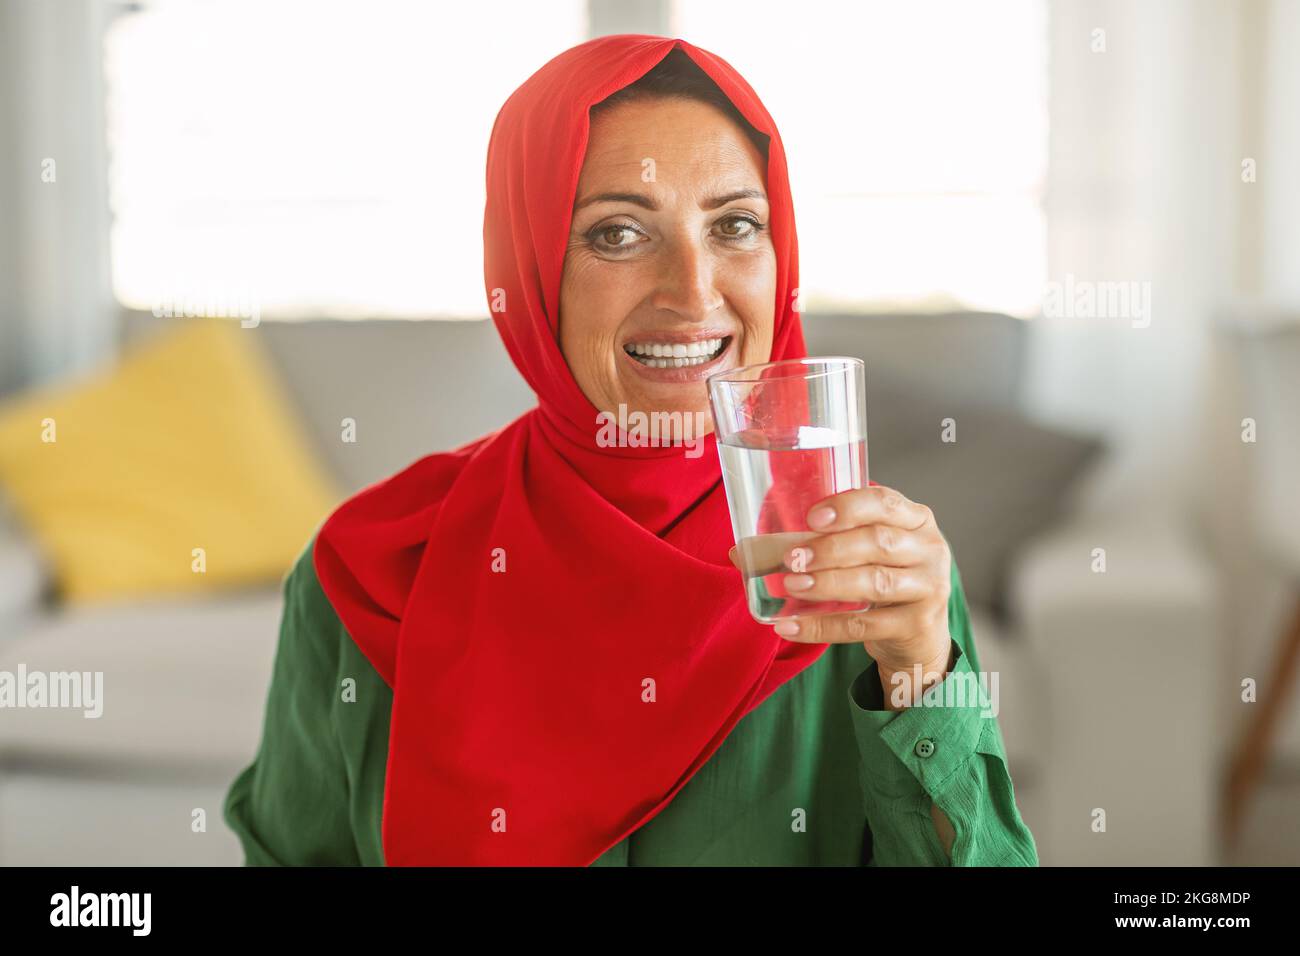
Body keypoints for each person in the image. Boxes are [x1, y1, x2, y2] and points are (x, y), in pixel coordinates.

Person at [223, 34, 1038, 866]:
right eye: (617, 233)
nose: (693, 290)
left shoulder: (867, 567)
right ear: (530, 266)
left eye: (735, 225)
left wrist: (920, 675)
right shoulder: (370, 567)